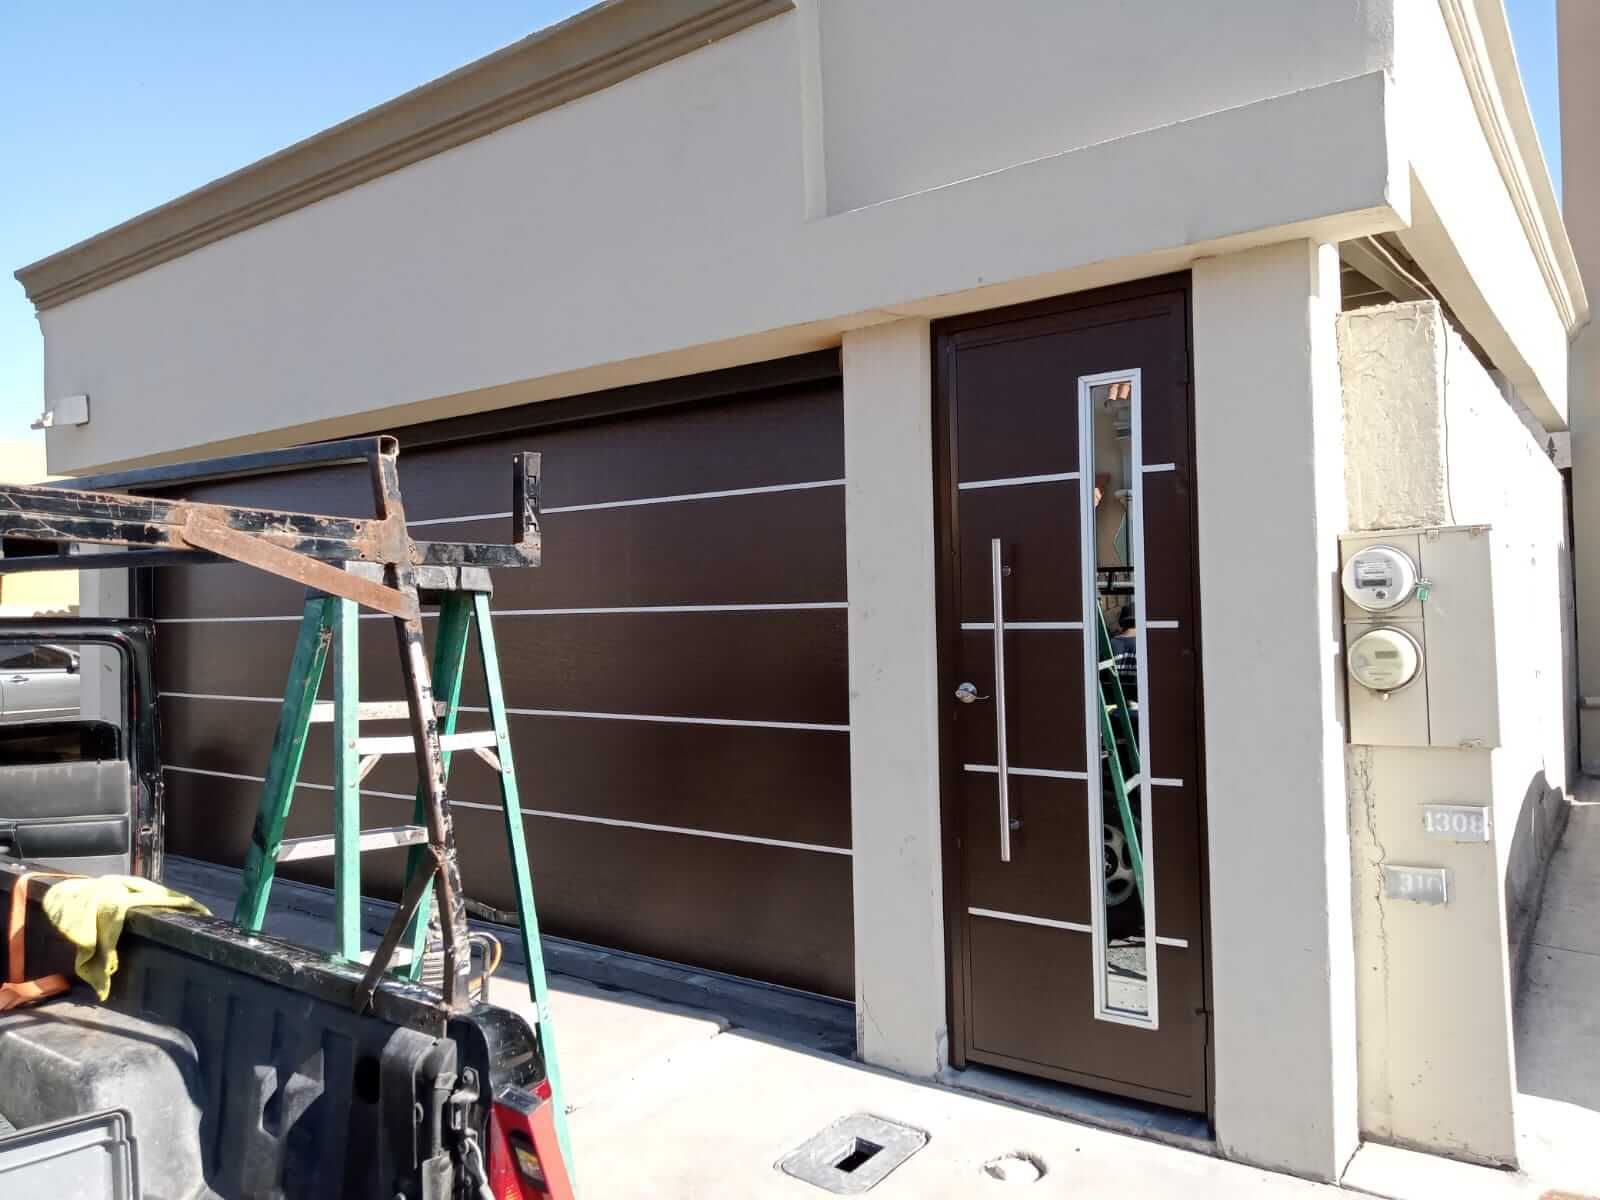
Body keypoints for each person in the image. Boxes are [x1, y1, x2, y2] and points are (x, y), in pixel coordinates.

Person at [1110, 604, 1138, 699]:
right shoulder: (1144, 645)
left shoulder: (1110, 644)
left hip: (1113, 702)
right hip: (1140, 701)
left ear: (1121, 623)